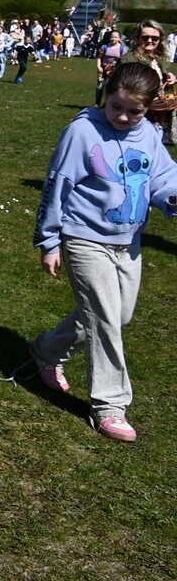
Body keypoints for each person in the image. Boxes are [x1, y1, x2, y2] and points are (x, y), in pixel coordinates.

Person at [28, 63, 177, 443]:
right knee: (106, 320)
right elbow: (56, 184)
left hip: (128, 241)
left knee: (117, 315)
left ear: (149, 108)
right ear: (105, 96)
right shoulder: (82, 131)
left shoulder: (150, 134)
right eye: (116, 107)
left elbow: (161, 178)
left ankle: (47, 349)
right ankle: (109, 405)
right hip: (83, 238)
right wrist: (48, 240)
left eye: (135, 112)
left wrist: (171, 197)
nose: (124, 117)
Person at [118, 19, 176, 145]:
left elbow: (161, 80)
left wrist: (171, 78)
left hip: (159, 112)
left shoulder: (161, 59)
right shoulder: (128, 60)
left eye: (154, 38)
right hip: (137, 114)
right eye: (145, 37)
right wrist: (148, 98)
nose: (150, 41)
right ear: (137, 38)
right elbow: (119, 88)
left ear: (160, 40)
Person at [95, 30, 128, 107]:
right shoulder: (104, 47)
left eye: (116, 37)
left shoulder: (122, 49)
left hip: (115, 69)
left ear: (119, 38)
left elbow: (125, 60)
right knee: (100, 86)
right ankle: (97, 104)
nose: (113, 39)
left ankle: (109, 104)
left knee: (112, 87)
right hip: (103, 68)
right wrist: (99, 66)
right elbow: (99, 58)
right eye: (112, 37)